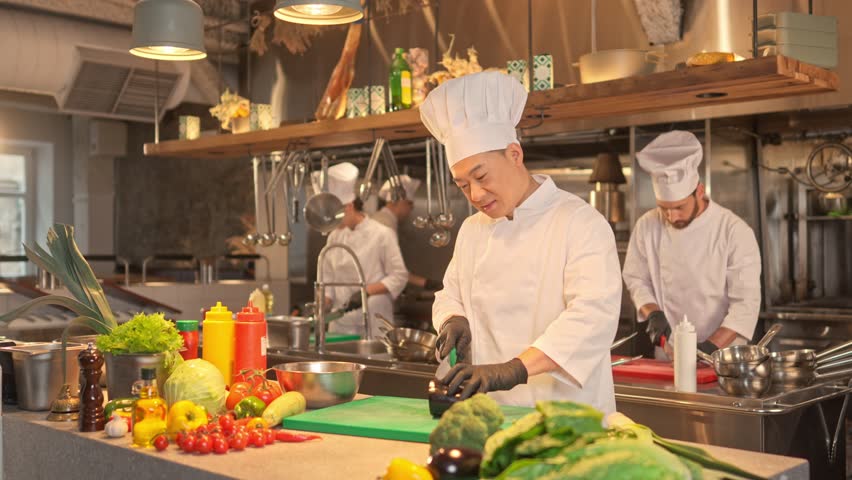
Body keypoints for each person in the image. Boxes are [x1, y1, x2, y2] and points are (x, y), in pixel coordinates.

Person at [420, 71, 622, 412]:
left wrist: (514, 369)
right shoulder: (472, 230)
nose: (476, 194)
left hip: (567, 420)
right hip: (491, 413)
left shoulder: (579, 222)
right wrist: (453, 319)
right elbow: (450, 293)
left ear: (515, 155)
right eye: (463, 185)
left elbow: (592, 318)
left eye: (481, 176)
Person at [622, 130, 762, 360]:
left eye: (679, 207)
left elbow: (745, 305)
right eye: (664, 207)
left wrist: (709, 348)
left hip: (722, 356)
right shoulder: (647, 225)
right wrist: (653, 312)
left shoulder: (733, 230)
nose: (671, 216)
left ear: (699, 191)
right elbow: (635, 278)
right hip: (669, 353)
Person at [318, 162, 409, 338]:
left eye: (335, 214)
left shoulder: (382, 234)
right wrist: (324, 302)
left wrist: (365, 292)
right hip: (340, 323)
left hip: (374, 321)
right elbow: (327, 278)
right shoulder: (334, 237)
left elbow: (399, 275)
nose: (332, 220)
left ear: (349, 207)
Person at [372, 174, 442, 292]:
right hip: (377, 291)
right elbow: (395, 270)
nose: (411, 209)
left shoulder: (382, 219)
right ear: (400, 201)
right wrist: (426, 283)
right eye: (410, 204)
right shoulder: (384, 224)